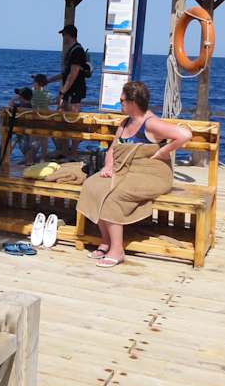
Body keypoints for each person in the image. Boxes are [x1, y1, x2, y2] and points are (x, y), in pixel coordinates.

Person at [77, 80, 192, 268]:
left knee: (113, 196)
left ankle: (117, 250)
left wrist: (163, 152)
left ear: (133, 102)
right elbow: (113, 149)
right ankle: (105, 240)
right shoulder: (125, 123)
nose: (119, 103)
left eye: (122, 100)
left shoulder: (151, 123)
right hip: (124, 170)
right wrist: (108, 166)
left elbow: (185, 135)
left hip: (151, 175)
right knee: (92, 185)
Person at [44, 25, 88, 158]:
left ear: (70, 35)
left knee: (73, 122)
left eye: (64, 35)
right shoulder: (71, 51)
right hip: (69, 91)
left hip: (75, 92)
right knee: (62, 120)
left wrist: (62, 92)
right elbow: (65, 74)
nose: (63, 37)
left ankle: (73, 153)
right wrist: (49, 80)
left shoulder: (77, 51)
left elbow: (73, 74)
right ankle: (63, 150)